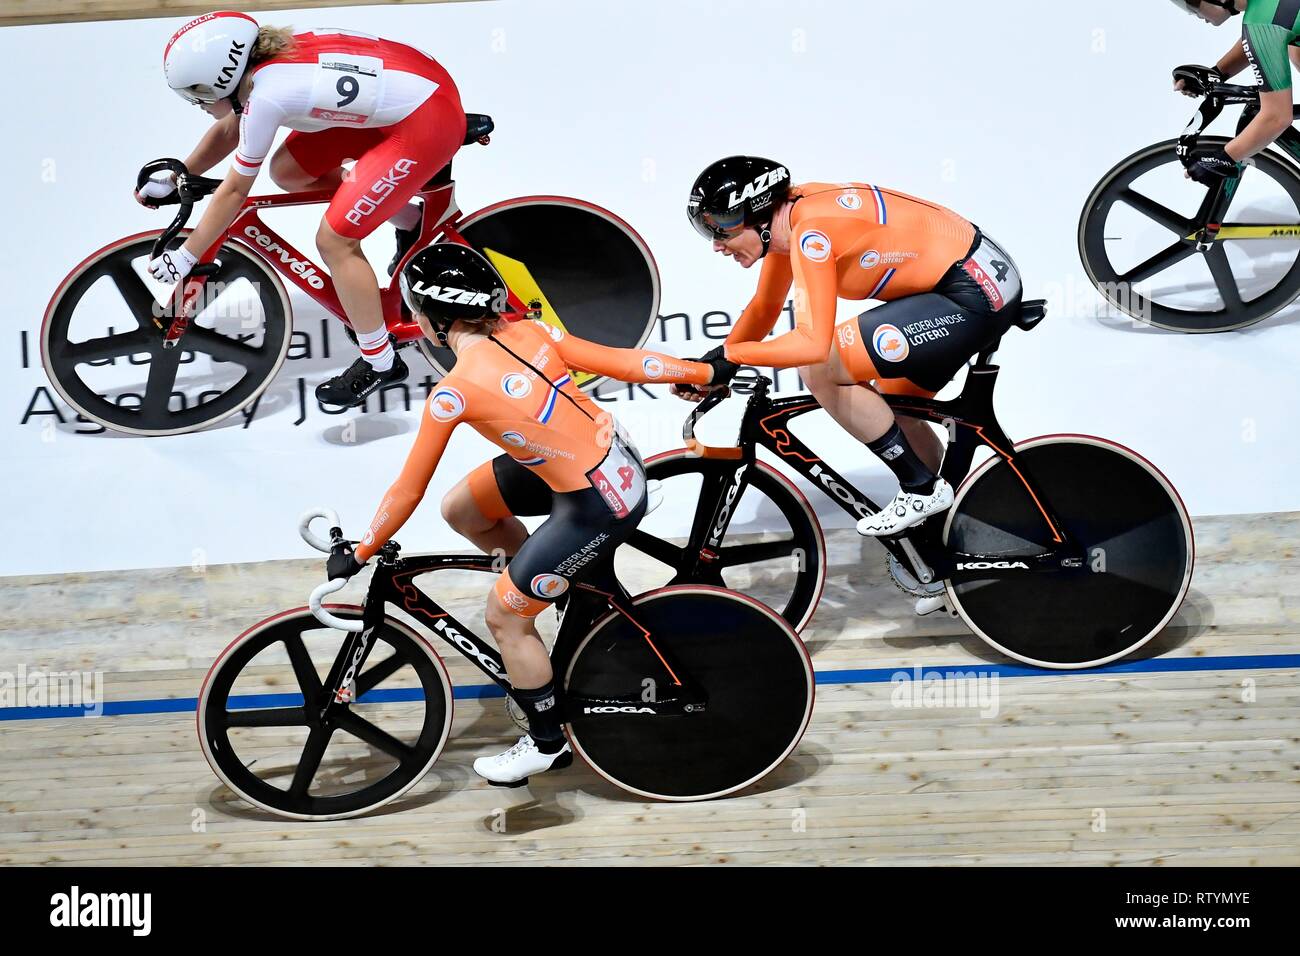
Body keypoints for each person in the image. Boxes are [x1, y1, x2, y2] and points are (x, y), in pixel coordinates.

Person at [326, 243, 733, 785]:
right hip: (608, 464)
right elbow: (624, 360)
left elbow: (406, 490)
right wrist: (701, 370)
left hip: (596, 502)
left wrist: (360, 551)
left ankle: (546, 743)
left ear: (435, 319)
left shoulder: (456, 391)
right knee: (463, 508)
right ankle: (555, 586)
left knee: (504, 618)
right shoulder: (530, 331)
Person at [683, 156, 1024, 612]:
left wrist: (731, 359)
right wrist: (713, 365)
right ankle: (947, 542)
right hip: (968, 281)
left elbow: (811, 342)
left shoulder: (811, 233)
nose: (716, 245)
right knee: (894, 406)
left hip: (970, 291)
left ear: (757, 212)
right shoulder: (788, 226)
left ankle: (922, 489)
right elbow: (764, 310)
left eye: (720, 230)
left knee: (822, 366)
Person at [139, 10, 468, 407]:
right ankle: (411, 222)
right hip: (413, 90)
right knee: (288, 171)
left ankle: (380, 361)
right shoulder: (258, 70)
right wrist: (181, 177)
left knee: (335, 241)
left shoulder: (269, 94)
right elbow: (233, 128)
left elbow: (233, 193)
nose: (198, 103)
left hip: (425, 120)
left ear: (222, 77)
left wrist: (187, 255)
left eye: (199, 92)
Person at [1169, 1, 1300, 184]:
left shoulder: (1261, 23)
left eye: (1193, 4)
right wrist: (1218, 73)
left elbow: (1277, 118)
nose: (1193, 13)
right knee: (1295, 48)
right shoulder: (1265, 10)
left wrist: (1223, 157)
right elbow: (1277, 31)